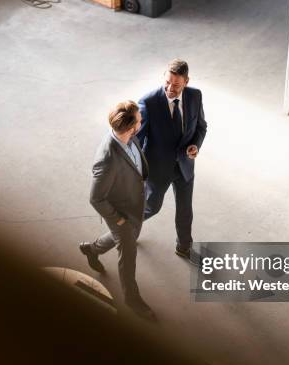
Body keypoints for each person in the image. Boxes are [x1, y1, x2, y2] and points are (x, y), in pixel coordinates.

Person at [79, 101, 156, 321]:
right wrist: (119, 221)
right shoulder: (107, 160)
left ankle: (91, 249)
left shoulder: (127, 136)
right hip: (121, 212)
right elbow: (96, 198)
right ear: (131, 128)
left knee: (123, 238)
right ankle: (132, 300)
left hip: (134, 203)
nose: (142, 121)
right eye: (139, 120)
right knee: (128, 255)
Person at [137, 59, 207, 259]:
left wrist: (195, 145)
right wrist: (137, 172)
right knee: (151, 207)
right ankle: (126, 228)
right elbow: (137, 141)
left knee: (185, 210)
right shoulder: (148, 102)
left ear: (186, 81)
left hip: (185, 166)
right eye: (167, 82)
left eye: (176, 85)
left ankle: (184, 246)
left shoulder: (195, 96)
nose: (170, 88)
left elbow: (201, 126)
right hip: (158, 169)